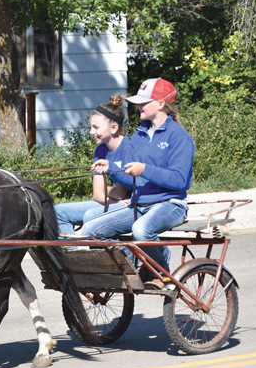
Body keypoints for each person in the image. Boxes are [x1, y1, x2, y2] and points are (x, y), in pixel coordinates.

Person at [81, 78, 195, 283]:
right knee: (91, 230)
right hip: (139, 205)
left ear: (160, 104)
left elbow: (180, 181)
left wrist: (145, 169)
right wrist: (112, 168)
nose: (138, 106)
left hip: (170, 204)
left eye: (144, 102)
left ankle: (161, 267)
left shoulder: (179, 136)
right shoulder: (140, 134)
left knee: (141, 230)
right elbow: (129, 176)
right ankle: (128, 270)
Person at [55, 94, 135, 236]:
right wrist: (113, 196)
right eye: (91, 127)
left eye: (96, 127)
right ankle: (71, 256)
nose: (91, 132)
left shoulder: (129, 148)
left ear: (114, 127)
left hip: (130, 206)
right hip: (115, 203)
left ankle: (112, 254)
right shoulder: (100, 150)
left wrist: (108, 191)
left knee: (91, 215)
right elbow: (98, 194)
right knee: (59, 212)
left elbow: (121, 192)